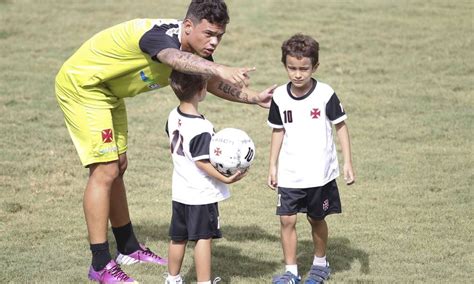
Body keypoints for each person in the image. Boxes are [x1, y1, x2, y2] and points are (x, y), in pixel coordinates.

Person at [54, 0, 274, 282]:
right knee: (105, 170)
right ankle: (99, 263)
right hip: (84, 86)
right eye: (208, 34)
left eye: (219, 36)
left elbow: (209, 79)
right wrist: (218, 67)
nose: (214, 42)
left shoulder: (196, 51)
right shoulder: (160, 36)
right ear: (188, 26)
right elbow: (172, 58)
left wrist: (253, 97)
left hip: (109, 92)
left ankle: (128, 247)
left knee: (118, 166)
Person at [267, 34, 355, 284]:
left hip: (319, 172)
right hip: (290, 172)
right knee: (287, 219)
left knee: (316, 219)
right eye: (291, 68)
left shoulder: (325, 94)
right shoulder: (279, 96)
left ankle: (319, 263)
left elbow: (341, 126)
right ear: (285, 65)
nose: (297, 74)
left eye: (303, 69)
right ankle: (291, 271)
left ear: (314, 67)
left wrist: (347, 161)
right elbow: (278, 130)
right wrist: (272, 165)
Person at [165, 69, 246, 284]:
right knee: (203, 238)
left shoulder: (173, 116)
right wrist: (225, 178)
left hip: (180, 192)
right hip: (200, 194)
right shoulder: (201, 127)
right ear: (202, 90)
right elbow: (201, 162)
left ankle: (172, 279)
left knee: (178, 238)